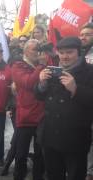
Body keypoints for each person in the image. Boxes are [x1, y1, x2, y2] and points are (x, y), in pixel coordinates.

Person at [35, 37, 93, 180]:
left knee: (75, 175)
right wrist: (41, 84)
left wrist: (76, 90)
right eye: (61, 52)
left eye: (69, 52)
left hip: (75, 137)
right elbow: (39, 96)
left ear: (78, 53)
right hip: (50, 136)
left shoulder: (90, 72)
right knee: (53, 175)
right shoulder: (52, 70)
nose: (65, 56)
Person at [11, 39, 45, 180]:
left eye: (38, 49)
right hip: (25, 116)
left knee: (40, 153)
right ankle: (19, 176)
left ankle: (38, 177)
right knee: (21, 153)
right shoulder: (17, 66)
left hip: (42, 116)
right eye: (33, 49)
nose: (37, 52)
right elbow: (28, 82)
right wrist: (41, 66)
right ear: (25, 51)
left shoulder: (42, 65)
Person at [80, 23, 93, 180]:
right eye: (81, 34)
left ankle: (90, 172)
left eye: (87, 34)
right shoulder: (79, 53)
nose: (83, 37)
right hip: (80, 104)